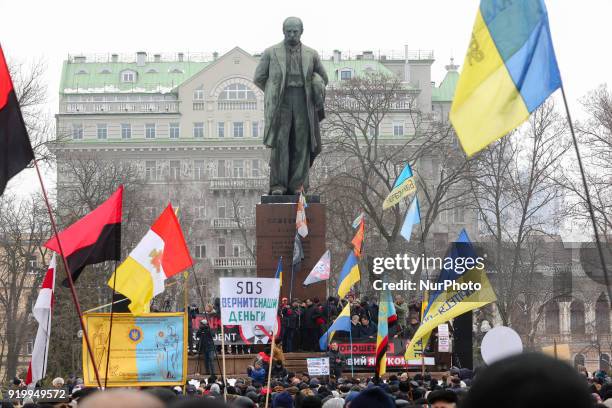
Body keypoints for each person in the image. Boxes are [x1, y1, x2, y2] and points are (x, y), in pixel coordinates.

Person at [253, 16, 329, 195]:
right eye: (289, 32)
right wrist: (273, 92)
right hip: (282, 101)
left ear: (301, 32)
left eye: (295, 31)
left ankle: (298, 185)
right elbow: (259, 77)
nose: (292, 35)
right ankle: (278, 185)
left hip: (303, 100)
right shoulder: (271, 52)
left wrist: (316, 83)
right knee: (281, 143)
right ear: (283, 32)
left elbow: (323, 77)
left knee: (301, 143)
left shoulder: (312, 54)